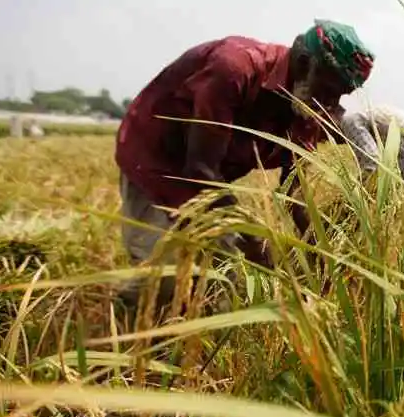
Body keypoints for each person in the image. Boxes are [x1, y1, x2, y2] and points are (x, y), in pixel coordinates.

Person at [114, 20, 373, 310]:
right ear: (303, 63)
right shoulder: (234, 68)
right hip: (155, 163)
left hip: (211, 179)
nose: (330, 102)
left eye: (339, 95)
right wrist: (256, 242)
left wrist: (323, 252)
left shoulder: (308, 106)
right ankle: (123, 325)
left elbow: (294, 194)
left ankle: (191, 340)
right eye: (328, 89)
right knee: (164, 280)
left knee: (227, 283)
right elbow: (200, 171)